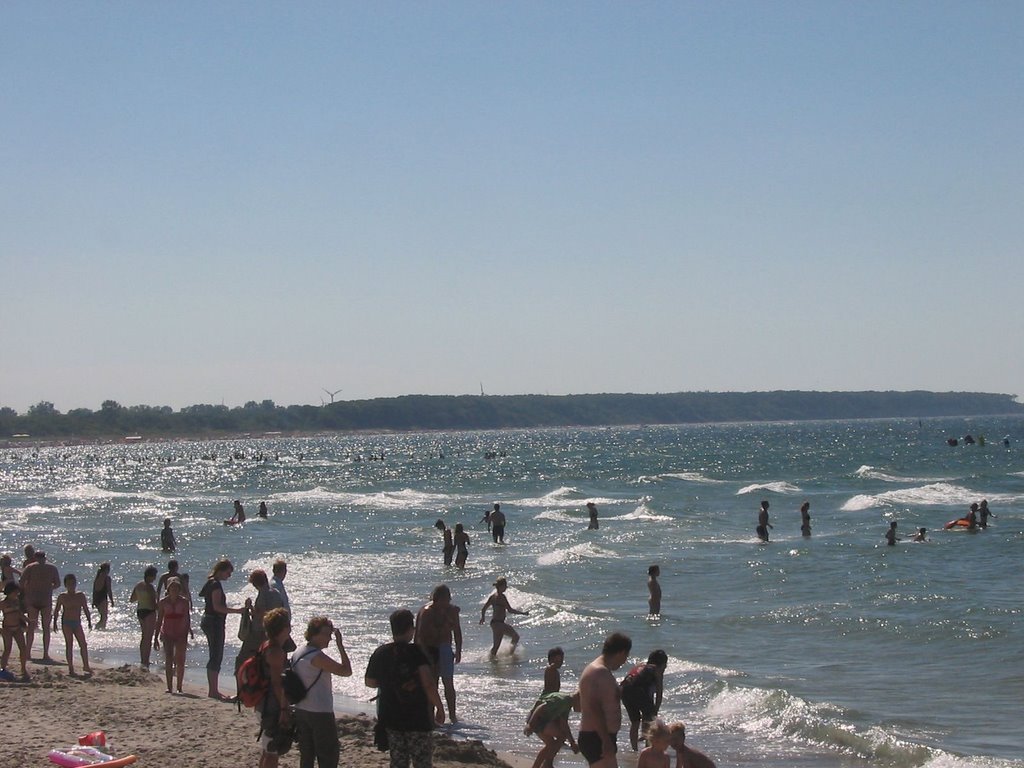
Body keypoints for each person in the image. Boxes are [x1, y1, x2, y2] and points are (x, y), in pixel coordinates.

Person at [365, 608, 445, 768]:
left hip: (391, 716)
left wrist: (389, 682)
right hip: (417, 717)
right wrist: (439, 707)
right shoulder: (416, 653)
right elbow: (428, 684)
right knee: (421, 761)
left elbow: (370, 682)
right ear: (410, 629)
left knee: (398, 760)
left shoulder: (381, 652)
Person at [292, 616, 352, 768]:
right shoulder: (316, 656)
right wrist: (340, 645)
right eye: (326, 634)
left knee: (307, 756)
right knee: (328, 756)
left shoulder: (299, 652)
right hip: (319, 711)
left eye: (330, 635)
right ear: (314, 634)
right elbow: (346, 671)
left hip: (301, 708)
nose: (329, 639)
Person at [578, 632, 632, 768]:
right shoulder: (599, 672)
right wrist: (605, 740)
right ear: (621, 653)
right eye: (626, 656)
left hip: (598, 736)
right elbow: (594, 709)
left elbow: (580, 700)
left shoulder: (598, 671)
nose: (624, 661)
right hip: (596, 737)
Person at [199, 559, 250, 700]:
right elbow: (217, 607)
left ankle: (213, 689)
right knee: (216, 655)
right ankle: (213, 691)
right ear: (222, 570)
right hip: (214, 621)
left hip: (209, 620)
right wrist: (237, 611)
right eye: (228, 572)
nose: (229, 576)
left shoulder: (211, 582)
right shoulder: (215, 585)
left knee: (214, 654)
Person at [415, 584, 463, 722]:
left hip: (445, 648)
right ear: (435, 599)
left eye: (447, 600)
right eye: (442, 600)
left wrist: (458, 649)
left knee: (448, 683)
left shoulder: (452, 610)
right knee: (432, 683)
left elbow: (457, 631)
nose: (445, 604)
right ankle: (431, 715)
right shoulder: (427, 611)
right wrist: (421, 655)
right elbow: (420, 636)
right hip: (428, 648)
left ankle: (452, 716)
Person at [257, 607, 293, 768]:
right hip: (271, 705)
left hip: (262, 701)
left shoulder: (265, 645)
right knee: (273, 750)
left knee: (267, 748)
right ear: (283, 629)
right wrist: (284, 709)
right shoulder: (276, 651)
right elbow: (277, 683)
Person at [236, 569, 285, 681]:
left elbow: (261, 614)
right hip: (273, 631)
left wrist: (249, 607)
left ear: (255, 583)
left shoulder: (263, 594)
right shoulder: (276, 593)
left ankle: (242, 688)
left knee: (242, 659)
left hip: (258, 632)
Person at [621, 650, 668, 751]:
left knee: (635, 722)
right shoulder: (657, 670)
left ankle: (634, 749)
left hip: (624, 691)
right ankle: (648, 749)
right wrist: (655, 711)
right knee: (650, 722)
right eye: (665, 665)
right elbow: (659, 694)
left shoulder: (640, 666)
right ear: (662, 664)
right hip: (637, 691)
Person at [153, 576, 192, 693]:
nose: (174, 590)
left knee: (180, 660)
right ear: (168, 589)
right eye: (172, 588)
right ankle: (169, 687)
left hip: (181, 633)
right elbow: (159, 620)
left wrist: (188, 631)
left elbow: (187, 618)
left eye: (176, 588)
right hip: (167, 632)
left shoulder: (184, 602)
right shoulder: (163, 602)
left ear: (179, 589)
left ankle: (179, 686)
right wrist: (155, 637)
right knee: (169, 659)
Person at [21, 550, 60, 662]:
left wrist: (27, 590)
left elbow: (21, 581)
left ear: (35, 557)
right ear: (45, 557)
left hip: (32, 600)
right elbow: (57, 584)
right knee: (46, 628)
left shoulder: (30, 567)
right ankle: (45, 654)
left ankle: (28, 653)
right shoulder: (52, 568)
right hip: (45, 600)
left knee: (31, 627)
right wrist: (48, 587)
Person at [524, 690, 580, 768]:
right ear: (579, 699)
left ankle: (537, 766)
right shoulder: (563, 700)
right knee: (561, 737)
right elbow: (541, 707)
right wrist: (531, 724)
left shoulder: (567, 704)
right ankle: (548, 764)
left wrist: (572, 743)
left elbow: (564, 725)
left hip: (541, 719)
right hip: (537, 719)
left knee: (551, 744)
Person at [52, 573, 92, 676]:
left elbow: (86, 609)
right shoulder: (62, 597)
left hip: (77, 623)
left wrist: (89, 621)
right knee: (69, 645)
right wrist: (55, 623)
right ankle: (71, 668)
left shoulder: (80, 596)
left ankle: (86, 665)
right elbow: (56, 611)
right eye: (69, 584)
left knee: (83, 644)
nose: (72, 585)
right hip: (66, 623)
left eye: (73, 583)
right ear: (66, 585)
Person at [480, 577, 528, 657]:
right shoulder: (502, 597)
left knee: (496, 647)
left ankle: (491, 661)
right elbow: (510, 610)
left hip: (494, 623)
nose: (506, 587)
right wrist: (523, 613)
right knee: (516, 637)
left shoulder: (492, 596)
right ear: (501, 586)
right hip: (499, 624)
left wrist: (483, 618)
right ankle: (510, 656)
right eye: (505, 585)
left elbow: (484, 609)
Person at [129, 565, 158, 668]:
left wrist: (141, 597)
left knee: (143, 637)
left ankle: (143, 659)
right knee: (148, 637)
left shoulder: (138, 585)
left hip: (140, 611)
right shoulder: (150, 587)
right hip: (149, 612)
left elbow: (132, 599)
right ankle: (146, 660)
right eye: (154, 576)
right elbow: (153, 603)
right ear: (151, 576)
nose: (155, 578)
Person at [1, 582, 29, 678]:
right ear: (9, 592)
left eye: (17, 592)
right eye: (15, 592)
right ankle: (3, 669)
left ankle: (23, 669)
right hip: (7, 629)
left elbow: (19, 614)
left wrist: (28, 620)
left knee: (23, 648)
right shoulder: (3, 603)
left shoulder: (16, 601)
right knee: (7, 649)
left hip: (17, 627)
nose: (16, 594)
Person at [91, 562, 114, 629]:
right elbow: (109, 590)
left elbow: (94, 590)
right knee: (104, 617)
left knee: (102, 617)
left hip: (96, 598)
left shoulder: (97, 577)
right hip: (102, 598)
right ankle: (99, 629)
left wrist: (93, 601)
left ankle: (98, 629)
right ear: (106, 570)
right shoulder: (107, 578)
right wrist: (112, 600)